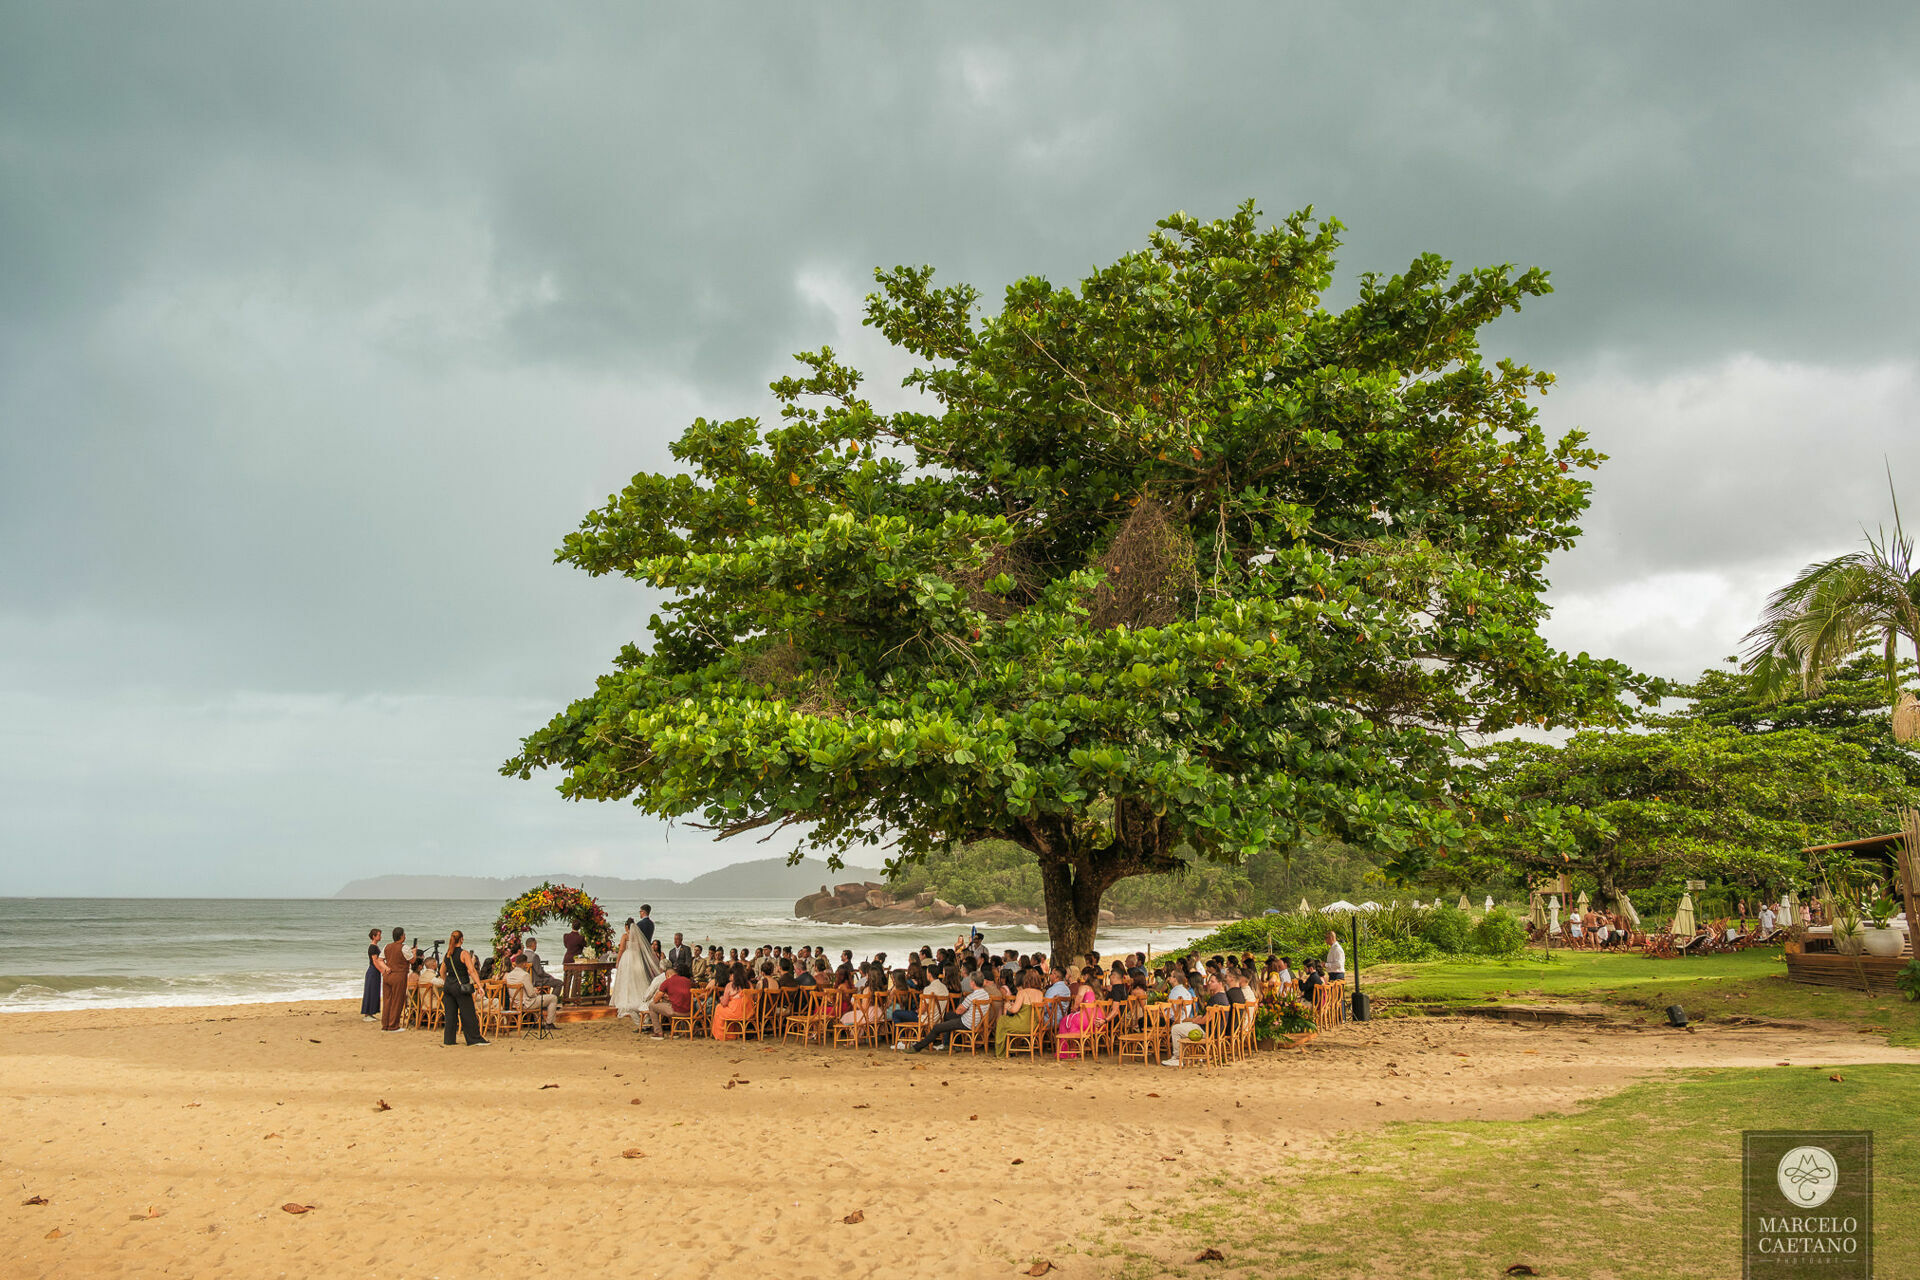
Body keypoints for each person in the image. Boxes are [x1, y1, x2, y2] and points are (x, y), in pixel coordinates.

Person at [901, 973, 991, 1053]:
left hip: (966, 1023)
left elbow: (958, 1011)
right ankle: (948, 1044)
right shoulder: (986, 995)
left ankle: (917, 1047)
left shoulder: (972, 996)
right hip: (975, 1022)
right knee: (947, 1015)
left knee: (937, 1028)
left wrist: (962, 1007)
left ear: (973, 983)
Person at [610, 917, 664, 1024]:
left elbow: (621, 949)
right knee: (638, 978)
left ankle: (626, 999)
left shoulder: (625, 936)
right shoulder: (638, 936)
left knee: (626, 978)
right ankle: (641, 998)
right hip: (637, 958)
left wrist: (617, 961)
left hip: (627, 957)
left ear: (626, 927)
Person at [440, 929, 490, 1046]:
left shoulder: (448, 954)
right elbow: (471, 971)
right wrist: (479, 986)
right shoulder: (464, 953)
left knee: (450, 1015)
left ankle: (449, 1040)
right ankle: (474, 1039)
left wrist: (446, 981)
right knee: (468, 1013)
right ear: (461, 939)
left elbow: (442, 971)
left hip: (448, 986)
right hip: (461, 986)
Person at [505, 954, 559, 1029]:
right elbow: (531, 994)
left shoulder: (509, 975)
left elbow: (521, 988)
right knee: (553, 998)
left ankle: (537, 1022)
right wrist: (536, 992)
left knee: (542, 998)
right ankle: (549, 1023)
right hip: (527, 1004)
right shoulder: (525, 975)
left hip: (514, 1003)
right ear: (524, 963)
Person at [379, 927, 411, 1032]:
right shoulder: (404, 948)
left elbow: (380, 960)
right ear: (401, 936)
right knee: (397, 1000)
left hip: (387, 975)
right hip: (399, 975)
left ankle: (385, 1025)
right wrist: (413, 952)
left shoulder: (387, 946)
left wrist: (386, 968)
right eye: (404, 934)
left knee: (387, 1000)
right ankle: (393, 1025)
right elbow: (412, 960)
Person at [362, 928, 386, 1021]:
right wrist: (382, 971)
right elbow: (375, 961)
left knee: (375, 991)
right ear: (374, 936)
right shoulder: (372, 947)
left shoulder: (375, 947)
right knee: (371, 991)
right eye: (379, 935)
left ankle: (371, 1012)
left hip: (375, 971)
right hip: (373, 971)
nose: (380, 937)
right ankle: (367, 1013)